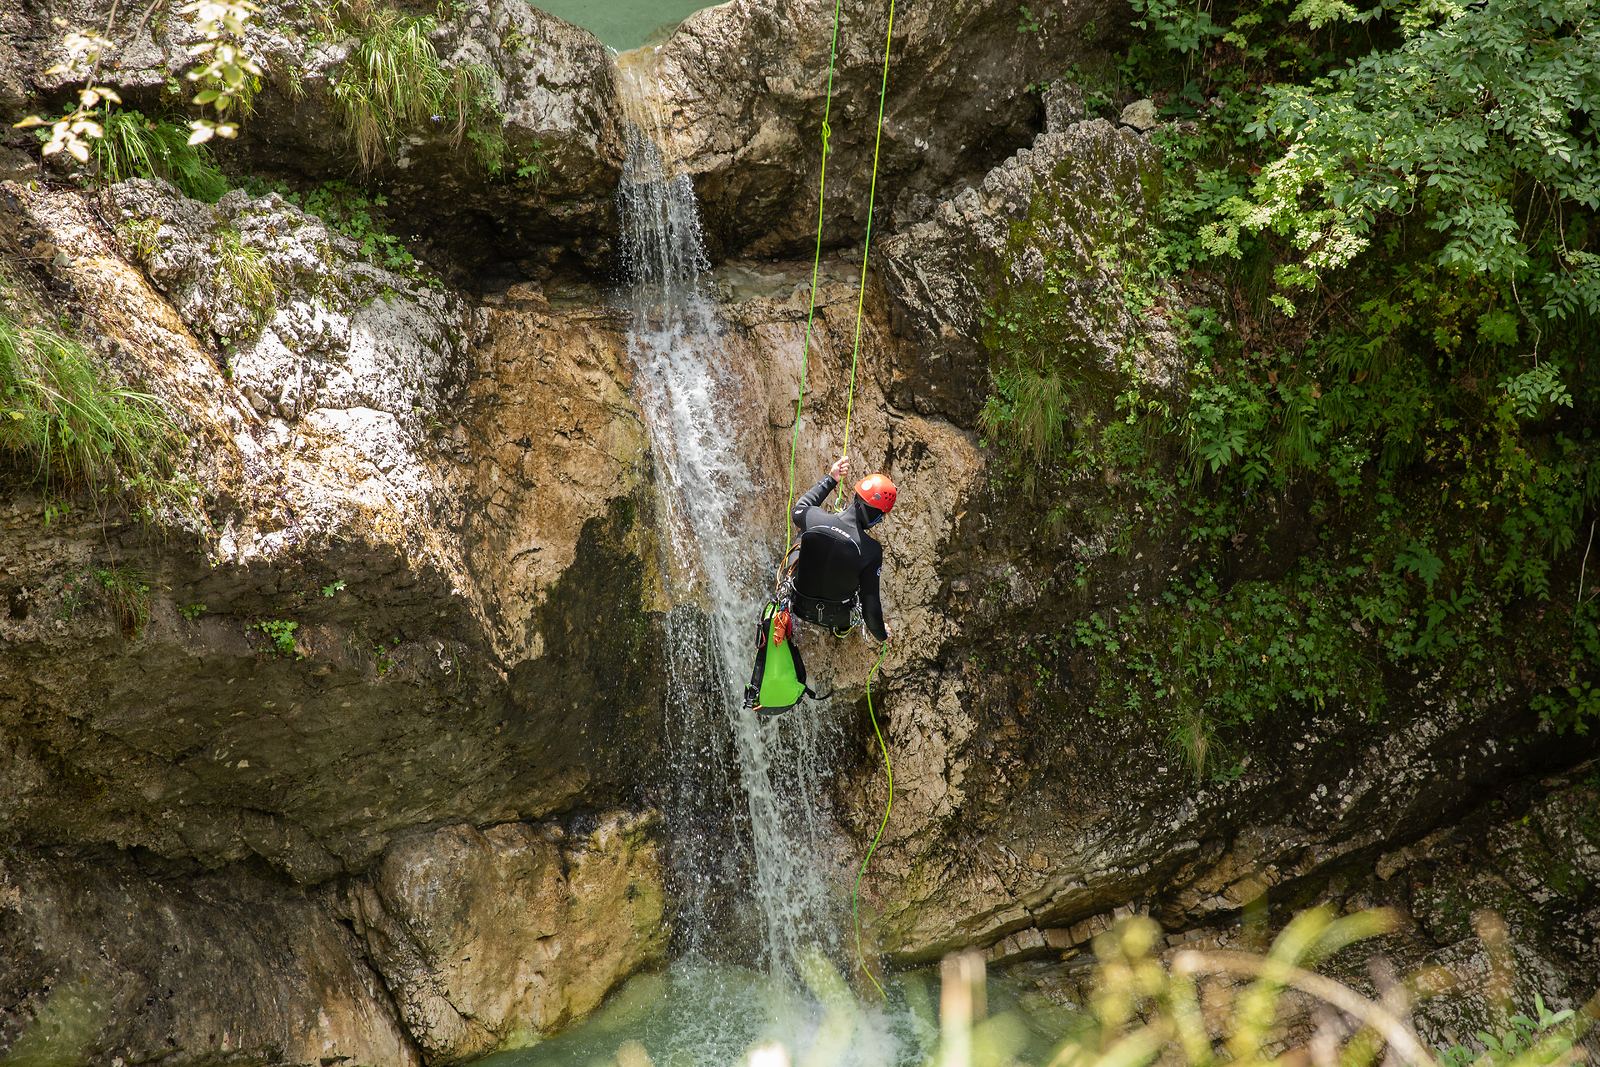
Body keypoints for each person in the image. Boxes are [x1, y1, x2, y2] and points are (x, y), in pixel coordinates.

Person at [785, 455, 895, 642]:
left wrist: (831, 479)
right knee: (863, 577)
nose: (879, 521)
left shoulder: (815, 519)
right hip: (837, 617)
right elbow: (871, 609)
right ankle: (841, 630)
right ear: (875, 514)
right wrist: (882, 635)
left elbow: (800, 507)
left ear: (856, 497)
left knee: (803, 537)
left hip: (797, 605)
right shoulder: (870, 550)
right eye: (880, 516)